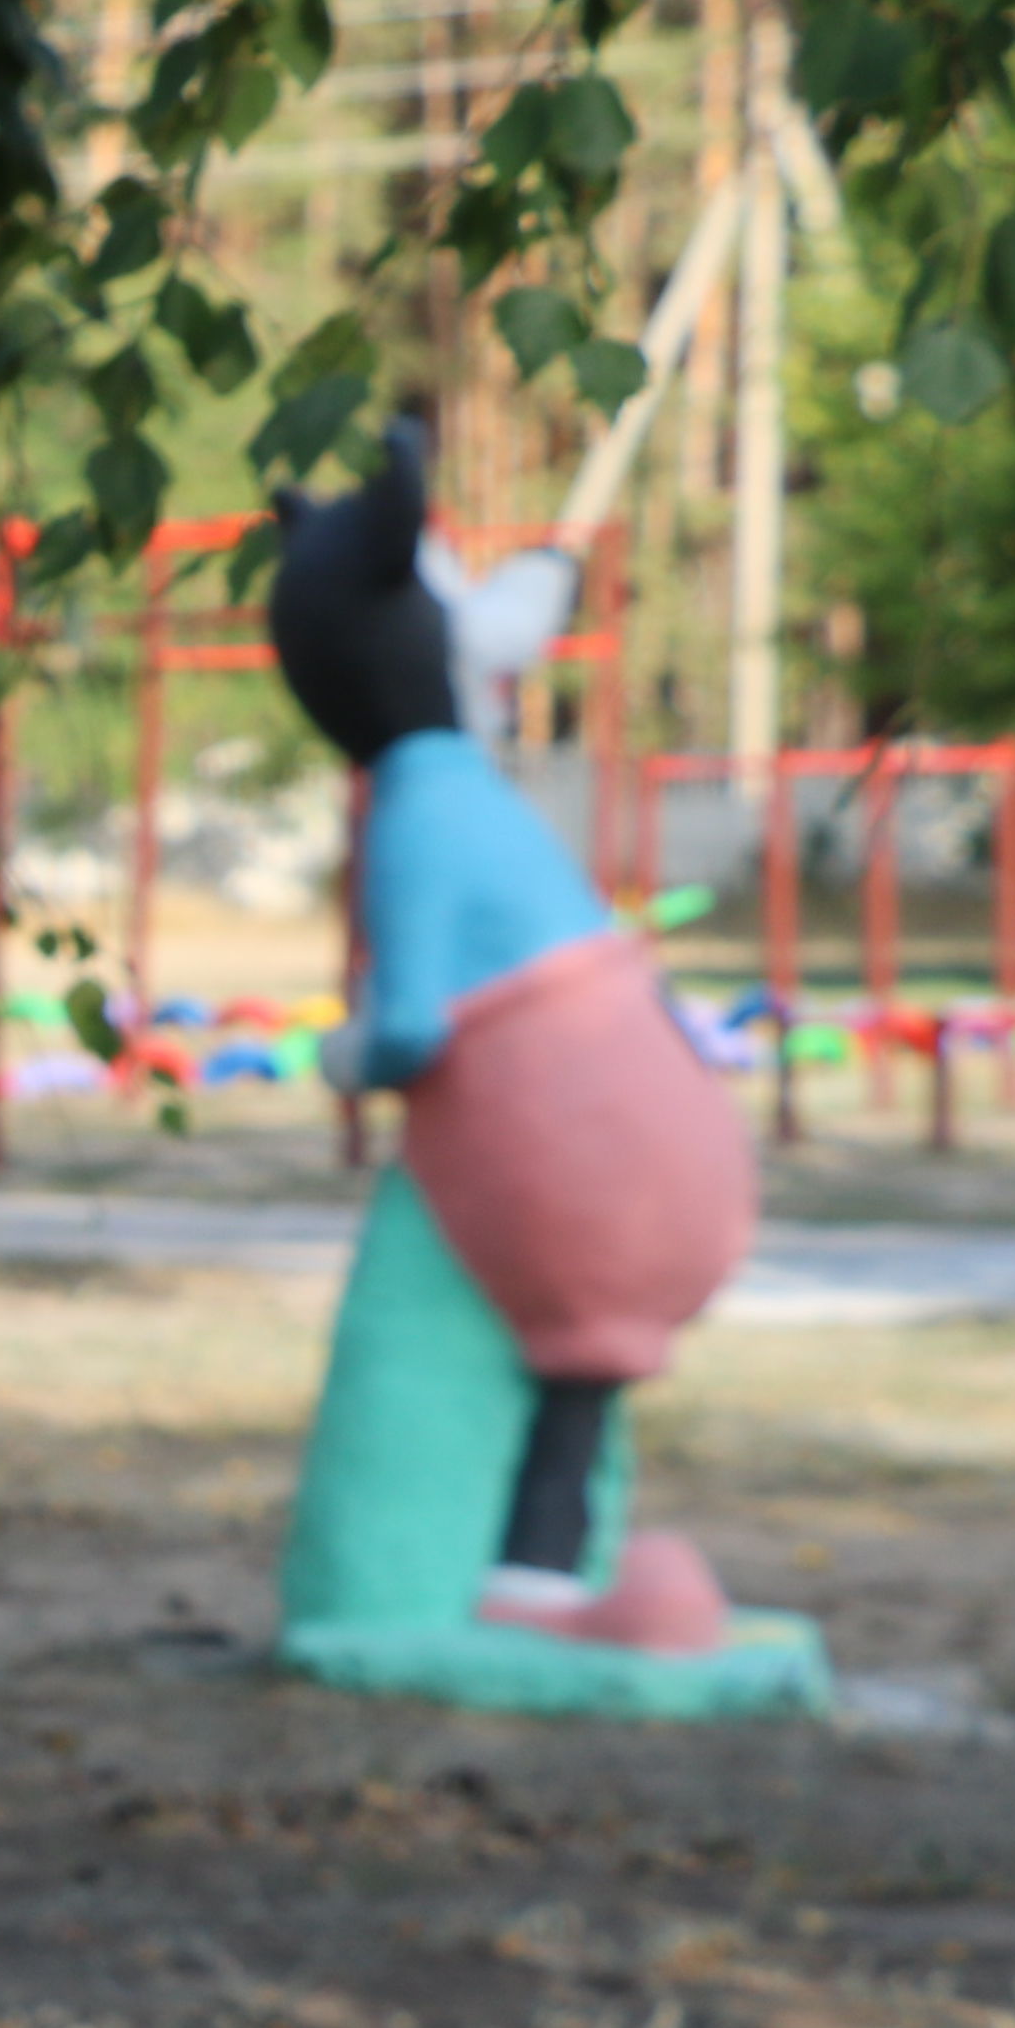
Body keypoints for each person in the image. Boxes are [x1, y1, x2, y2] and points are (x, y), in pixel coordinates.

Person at [266, 425, 758, 1649]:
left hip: (577, 1166)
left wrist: (342, 1055)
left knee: (501, 1361)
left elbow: (412, 1028)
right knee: (571, 1388)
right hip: (655, 1153)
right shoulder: (469, 796)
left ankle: (497, 1588)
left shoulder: (420, 811)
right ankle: (541, 1578)